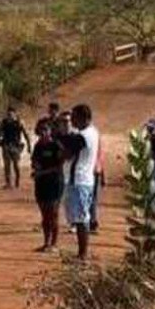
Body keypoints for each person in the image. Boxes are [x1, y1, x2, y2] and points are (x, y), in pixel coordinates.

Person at [60, 103, 100, 261]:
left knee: (82, 218)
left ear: (83, 118)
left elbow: (68, 148)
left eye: (75, 118)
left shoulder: (86, 135)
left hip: (80, 180)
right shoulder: (90, 132)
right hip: (80, 180)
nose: (73, 121)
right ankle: (81, 253)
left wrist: (60, 133)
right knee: (78, 218)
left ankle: (82, 254)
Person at [30, 119, 65, 252]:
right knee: (44, 215)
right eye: (41, 130)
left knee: (53, 214)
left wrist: (42, 172)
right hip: (41, 184)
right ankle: (46, 242)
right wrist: (35, 167)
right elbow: (34, 161)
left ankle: (54, 244)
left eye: (46, 129)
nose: (43, 132)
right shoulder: (38, 146)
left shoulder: (56, 145)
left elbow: (59, 166)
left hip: (55, 183)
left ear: (51, 131)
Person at [0, 106, 31, 189]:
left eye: (11, 113)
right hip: (6, 145)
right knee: (7, 165)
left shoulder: (19, 122)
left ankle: (17, 181)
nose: (9, 115)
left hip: (16, 146)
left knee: (16, 165)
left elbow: (26, 134)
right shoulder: (4, 122)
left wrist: (29, 145)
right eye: (8, 113)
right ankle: (8, 183)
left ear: (14, 113)